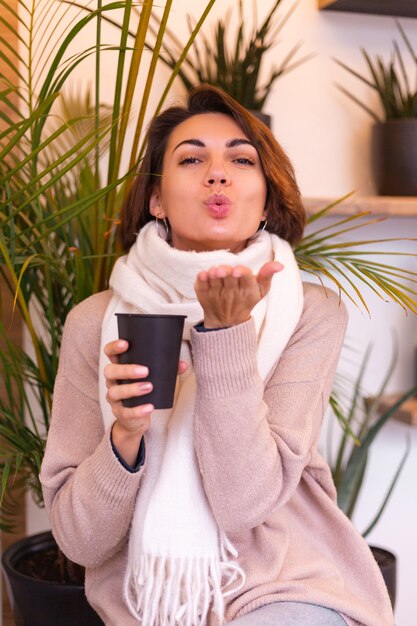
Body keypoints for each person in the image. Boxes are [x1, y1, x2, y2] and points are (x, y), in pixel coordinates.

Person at [40, 85, 394, 626]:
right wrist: (125, 436)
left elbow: (243, 502)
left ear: (268, 199)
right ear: (156, 199)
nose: (217, 173)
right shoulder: (95, 322)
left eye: (241, 159)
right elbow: (79, 542)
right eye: (190, 158)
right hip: (146, 605)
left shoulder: (310, 313)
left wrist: (225, 332)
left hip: (282, 587)